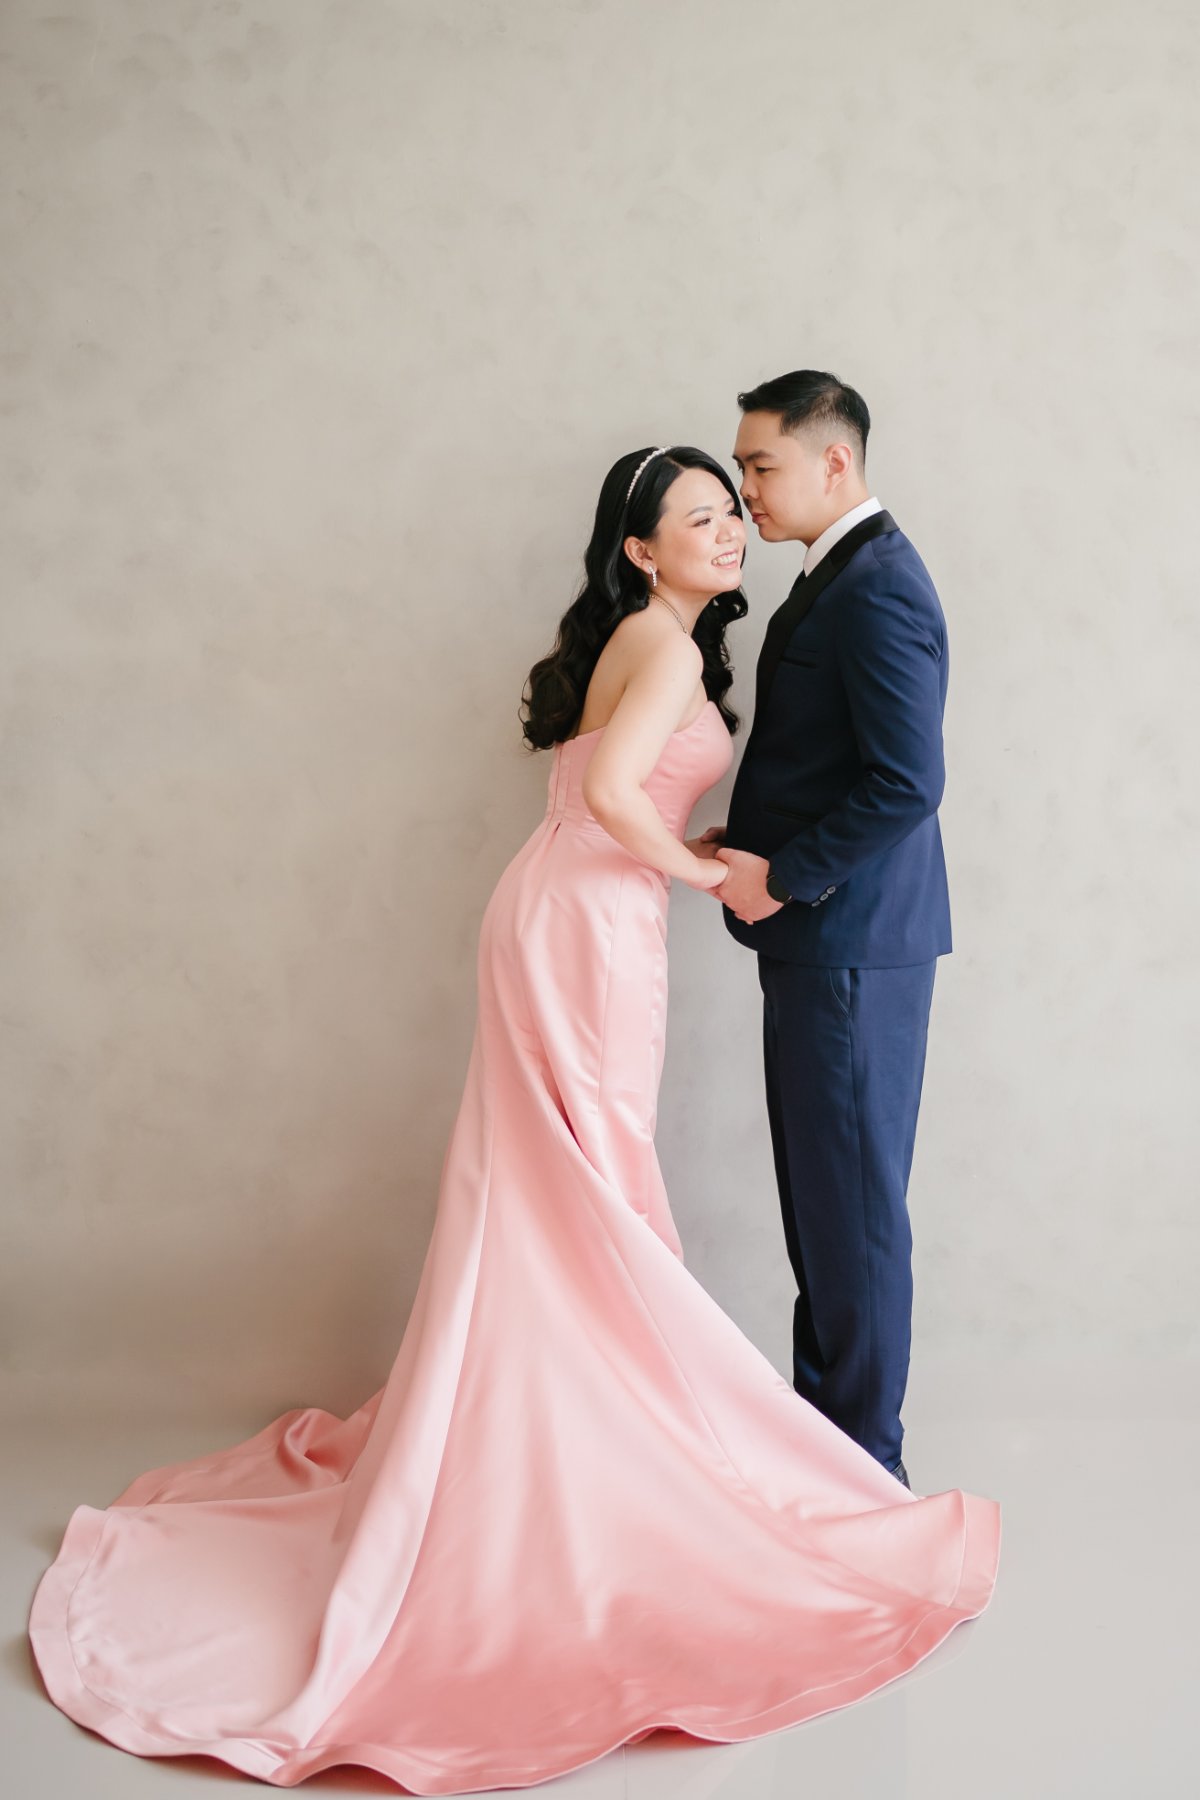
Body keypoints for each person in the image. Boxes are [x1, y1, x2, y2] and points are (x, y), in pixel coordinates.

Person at [27, 444, 999, 1794]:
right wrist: (707, 877)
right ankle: (590, 1455)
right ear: (643, 551)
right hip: (586, 924)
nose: (729, 527)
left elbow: (602, 790)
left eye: (734, 506)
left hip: (570, 913)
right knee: (582, 1187)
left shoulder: (652, 640)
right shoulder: (662, 646)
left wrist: (681, 868)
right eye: (700, 515)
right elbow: (606, 798)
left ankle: (571, 1432)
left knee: (565, 1184)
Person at [708, 370, 953, 1491]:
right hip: (824, 941)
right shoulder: (835, 573)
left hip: (849, 946)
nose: (747, 489)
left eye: (762, 466)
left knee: (850, 1215)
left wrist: (788, 875)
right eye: (743, 467)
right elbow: (831, 758)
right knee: (825, 1207)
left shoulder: (878, 584)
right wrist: (753, 839)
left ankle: (867, 1472)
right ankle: (832, 1447)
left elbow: (907, 781)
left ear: (834, 461)